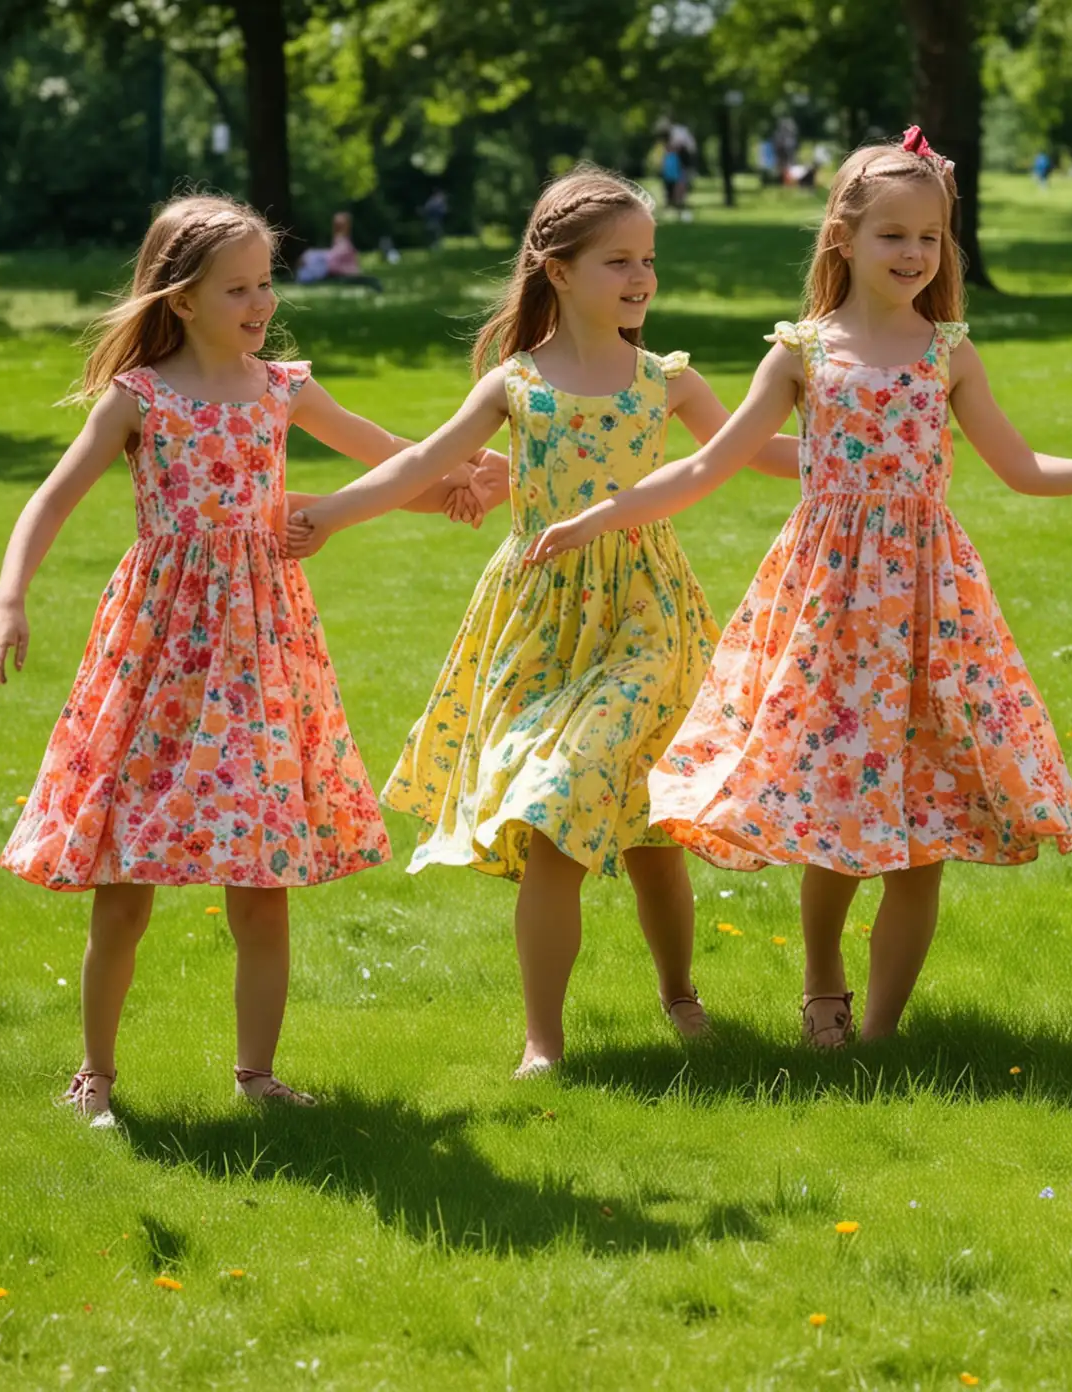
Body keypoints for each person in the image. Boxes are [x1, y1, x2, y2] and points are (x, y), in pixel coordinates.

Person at [518, 128, 1072, 1047]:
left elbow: (1020, 465)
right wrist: (603, 513)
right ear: (842, 236)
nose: (915, 254)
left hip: (930, 607)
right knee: (835, 803)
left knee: (926, 816)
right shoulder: (800, 352)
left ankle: (878, 1037)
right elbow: (714, 462)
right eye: (893, 236)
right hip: (828, 607)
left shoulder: (948, 351)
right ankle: (824, 986)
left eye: (930, 238)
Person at [0, 196, 496, 1123]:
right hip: (159, 654)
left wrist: (464, 483)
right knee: (125, 877)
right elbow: (49, 501)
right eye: (238, 288)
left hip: (260, 653)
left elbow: (397, 467)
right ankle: (95, 1073)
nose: (260, 302)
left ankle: (258, 1079)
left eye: (266, 283)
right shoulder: (140, 397)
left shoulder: (282, 387)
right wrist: (8, 600)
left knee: (261, 875)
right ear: (181, 297)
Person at [283, 167, 799, 1077]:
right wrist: (331, 513)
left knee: (624, 818)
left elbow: (754, 450)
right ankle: (544, 1043)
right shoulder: (514, 383)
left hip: (648, 614)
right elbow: (420, 466)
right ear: (556, 270)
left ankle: (679, 995)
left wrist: (876, 434)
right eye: (617, 261)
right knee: (574, 815)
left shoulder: (665, 379)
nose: (641, 278)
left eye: (648, 260)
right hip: (537, 619)